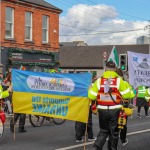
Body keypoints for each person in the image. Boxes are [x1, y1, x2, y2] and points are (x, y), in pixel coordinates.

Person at [88, 61, 135, 150]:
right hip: (115, 109)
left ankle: (96, 147)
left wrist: (90, 90)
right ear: (114, 69)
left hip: (102, 110)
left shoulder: (99, 81)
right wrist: (128, 88)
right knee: (114, 132)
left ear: (105, 69)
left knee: (103, 131)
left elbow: (91, 96)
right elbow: (127, 95)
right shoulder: (119, 81)